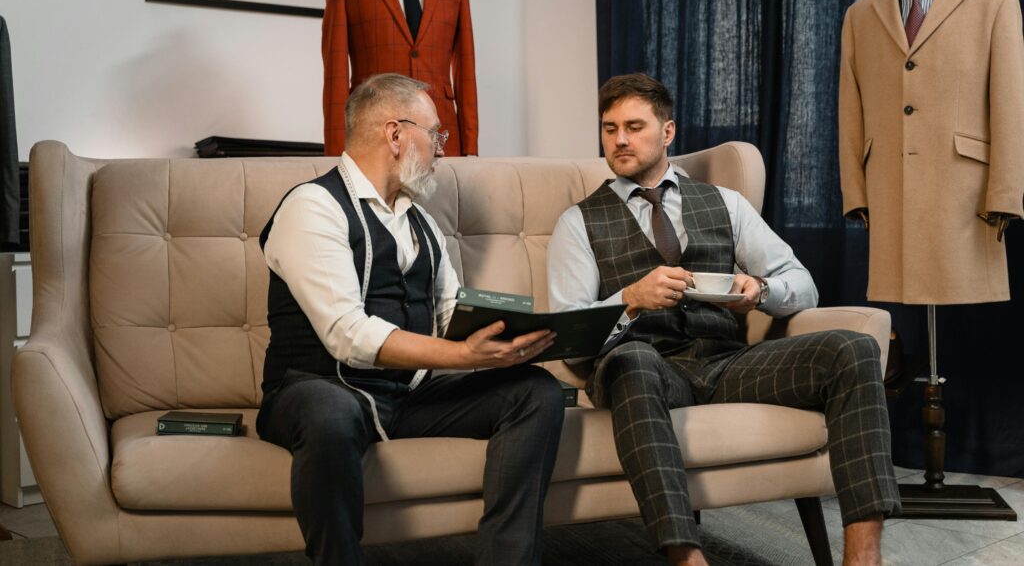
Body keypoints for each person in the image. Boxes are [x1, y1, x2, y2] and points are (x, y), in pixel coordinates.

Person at [547, 73, 899, 566]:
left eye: (633, 126)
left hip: (725, 363)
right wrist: (629, 300)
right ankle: (687, 558)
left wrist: (759, 292)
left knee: (852, 349)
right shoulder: (578, 222)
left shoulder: (726, 203)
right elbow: (568, 335)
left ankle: (863, 557)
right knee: (633, 362)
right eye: (609, 129)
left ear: (668, 132)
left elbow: (802, 283)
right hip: (642, 369)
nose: (620, 140)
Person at [257, 73, 565, 565]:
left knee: (535, 391)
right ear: (395, 134)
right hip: (317, 387)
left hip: (408, 394)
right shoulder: (311, 206)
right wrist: (463, 355)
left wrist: (512, 332)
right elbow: (347, 334)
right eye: (435, 133)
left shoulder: (420, 220)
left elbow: (448, 312)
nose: (442, 148)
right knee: (329, 414)